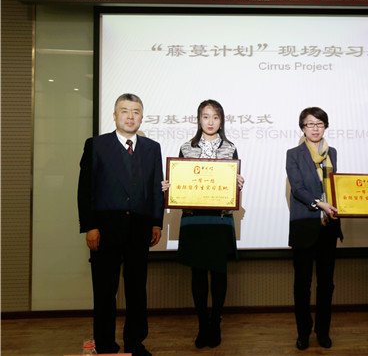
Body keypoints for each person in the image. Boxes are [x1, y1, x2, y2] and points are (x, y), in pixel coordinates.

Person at [77, 93, 164, 356]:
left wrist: (157, 222)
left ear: (142, 117)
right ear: (115, 115)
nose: (130, 116)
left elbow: (155, 189)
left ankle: (135, 343)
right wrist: (90, 226)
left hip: (140, 228)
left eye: (135, 112)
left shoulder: (152, 148)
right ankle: (105, 345)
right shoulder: (96, 145)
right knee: (105, 291)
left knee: (137, 290)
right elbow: (85, 189)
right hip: (105, 229)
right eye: (124, 111)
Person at [162, 99, 244, 349]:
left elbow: (231, 184)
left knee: (219, 273)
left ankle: (215, 323)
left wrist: (238, 184)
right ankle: (202, 325)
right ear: (199, 120)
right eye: (206, 116)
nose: (210, 122)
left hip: (219, 219)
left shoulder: (230, 148)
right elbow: (180, 181)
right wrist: (170, 186)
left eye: (215, 117)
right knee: (197, 274)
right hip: (194, 219)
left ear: (221, 121)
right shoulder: (186, 147)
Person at [286, 107, 342, 350]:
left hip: (328, 226)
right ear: (303, 128)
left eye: (319, 124)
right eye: (310, 124)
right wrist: (319, 203)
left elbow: (337, 186)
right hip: (304, 226)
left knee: (326, 284)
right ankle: (303, 332)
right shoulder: (293, 154)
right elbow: (297, 189)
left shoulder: (332, 152)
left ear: (325, 126)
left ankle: (322, 331)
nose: (315, 128)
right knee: (302, 284)